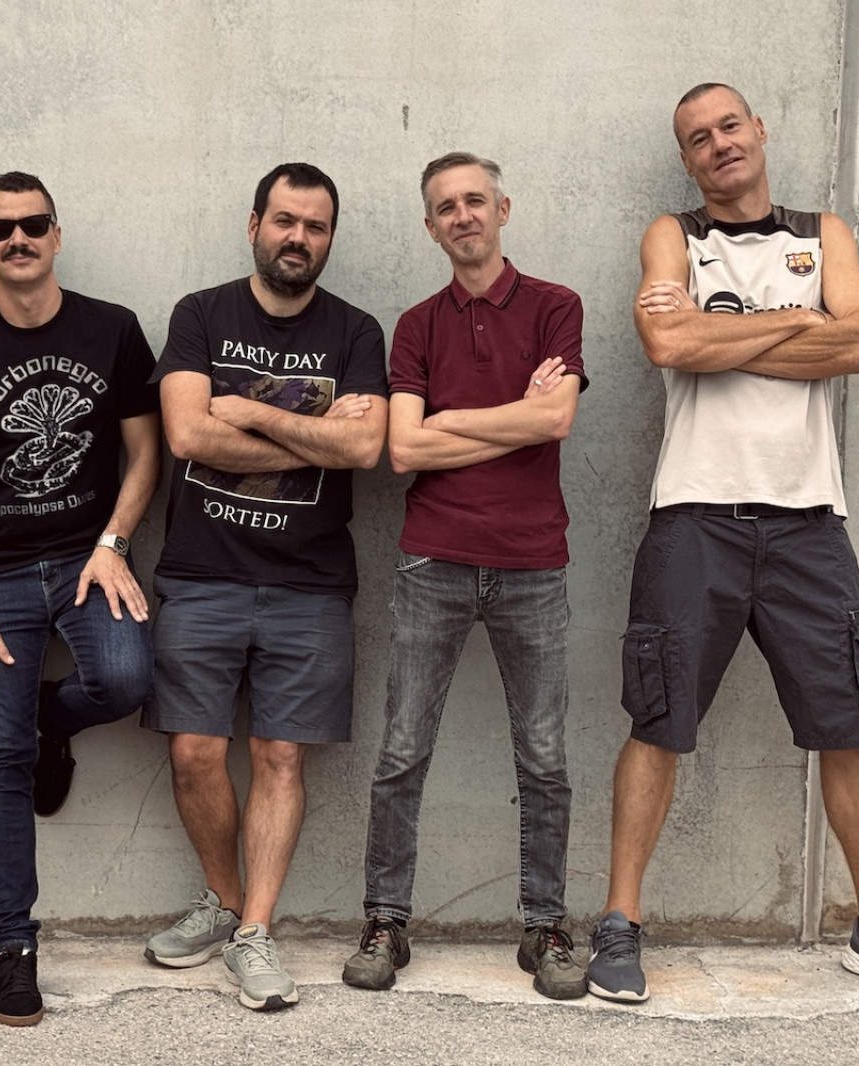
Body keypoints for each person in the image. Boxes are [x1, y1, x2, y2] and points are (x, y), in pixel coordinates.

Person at [588, 83, 859, 1012]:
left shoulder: (823, 235)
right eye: (697, 138)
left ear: (758, 130)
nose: (718, 143)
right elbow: (665, 343)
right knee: (658, 722)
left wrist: (719, 333)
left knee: (849, 727)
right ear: (686, 161)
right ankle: (620, 923)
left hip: (808, 522)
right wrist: (801, 321)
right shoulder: (674, 237)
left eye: (729, 126)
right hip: (693, 517)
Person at [0, 171, 160, 1026]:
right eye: (0, 228)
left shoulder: (112, 330)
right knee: (0, 757)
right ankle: (12, 950)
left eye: (33, 223)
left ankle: (54, 719)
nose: (17, 238)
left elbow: (147, 453)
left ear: (57, 235)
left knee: (127, 681)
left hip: (90, 560)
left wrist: (114, 542)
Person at [341, 152, 588, 999]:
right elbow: (404, 448)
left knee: (545, 757)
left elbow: (557, 420)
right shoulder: (416, 326)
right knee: (402, 751)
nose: (463, 215)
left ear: (502, 209)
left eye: (475, 200)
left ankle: (545, 926)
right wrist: (518, 414)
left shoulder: (556, 306)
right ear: (430, 226)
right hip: (433, 559)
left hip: (533, 563)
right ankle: (385, 920)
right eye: (446, 207)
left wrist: (454, 422)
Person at [143, 162, 387, 1012]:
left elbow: (365, 450)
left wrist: (244, 412)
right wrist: (314, 432)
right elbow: (185, 434)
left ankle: (254, 931)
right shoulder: (201, 315)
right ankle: (222, 900)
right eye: (285, 220)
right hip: (201, 574)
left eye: (315, 226)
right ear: (255, 225)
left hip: (310, 583)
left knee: (281, 756)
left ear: (329, 238)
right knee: (193, 752)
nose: (298, 238)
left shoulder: (356, 331)